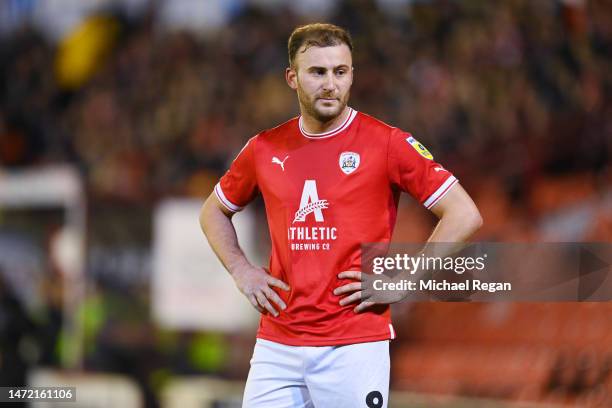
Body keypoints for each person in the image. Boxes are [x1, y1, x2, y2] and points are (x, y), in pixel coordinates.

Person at [200, 23, 482, 408]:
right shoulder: (263, 148)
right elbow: (213, 212)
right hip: (277, 345)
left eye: (340, 71)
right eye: (317, 72)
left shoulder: (387, 143)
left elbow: (463, 213)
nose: (330, 84)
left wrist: (405, 280)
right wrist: (241, 270)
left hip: (354, 345)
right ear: (292, 77)